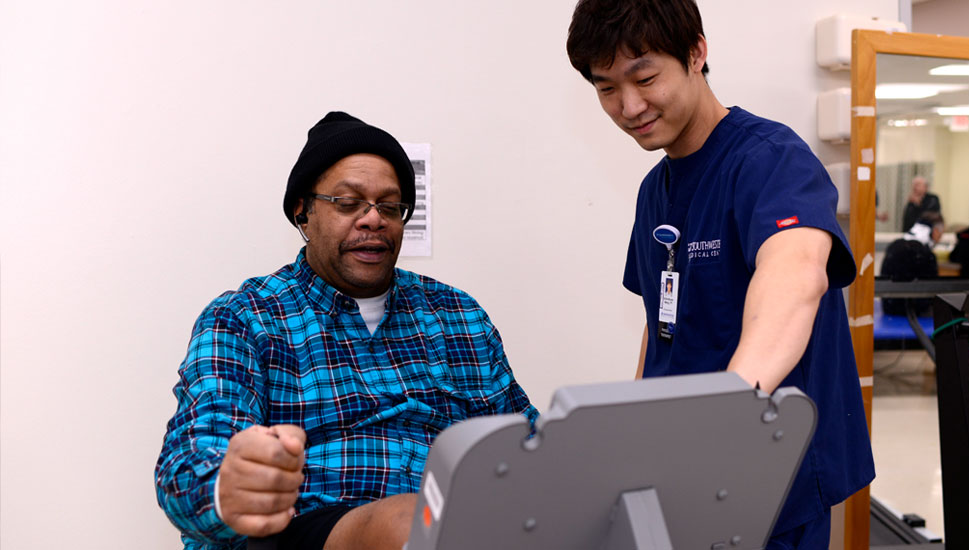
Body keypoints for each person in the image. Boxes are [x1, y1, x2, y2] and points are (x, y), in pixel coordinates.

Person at [566, 1, 874, 547]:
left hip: (770, 477)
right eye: (607, 88)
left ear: (696, 53)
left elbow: (796, 276)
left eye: (645, 78)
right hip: (680, 475)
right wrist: (635, 439)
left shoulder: (771, 159)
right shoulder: (654, 191)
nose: (629, 106)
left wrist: (725, 414)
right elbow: (660, 327)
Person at [155, 112, 538, 550]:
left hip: (456, 526)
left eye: (389, 206)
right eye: (347, 202)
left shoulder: (459, 316)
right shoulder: (245, 318)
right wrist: (230, 486)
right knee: (406, 521)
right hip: (301, 529)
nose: (373, 219)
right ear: (303, 212)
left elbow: (527, 444)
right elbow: (187, 469)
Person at [880, 212, 943, 315]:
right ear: (935, 232)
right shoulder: (926, 255)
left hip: (889, 309)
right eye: (940, 234)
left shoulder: (894, 246)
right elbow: (932, 292)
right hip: (916, 313)